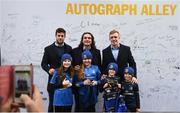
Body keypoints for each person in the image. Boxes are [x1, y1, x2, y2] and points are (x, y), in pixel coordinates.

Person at [41, 28, 72, 112]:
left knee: (65, 106)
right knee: (52, 105)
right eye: (59, 36)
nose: (60, 37)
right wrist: (48, 69)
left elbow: (71, 63)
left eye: (62, 36)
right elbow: (43, 64)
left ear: (65, 37)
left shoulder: (69, 48)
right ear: (55, 36)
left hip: (66, 81)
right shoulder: (48, 49)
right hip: (53, 81)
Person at [71, 32, 101, 111]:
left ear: (92, 40)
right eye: (85, 38)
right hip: (80, 86)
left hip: (92, 88)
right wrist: (74, 68)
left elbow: (98, 66)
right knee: (79, 107)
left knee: (91, 108)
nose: (87, 39)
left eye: (89, 38)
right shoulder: (75, 51)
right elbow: (71, 65)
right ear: (82, 40)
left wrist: (97, 82)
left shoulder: (97, 52)